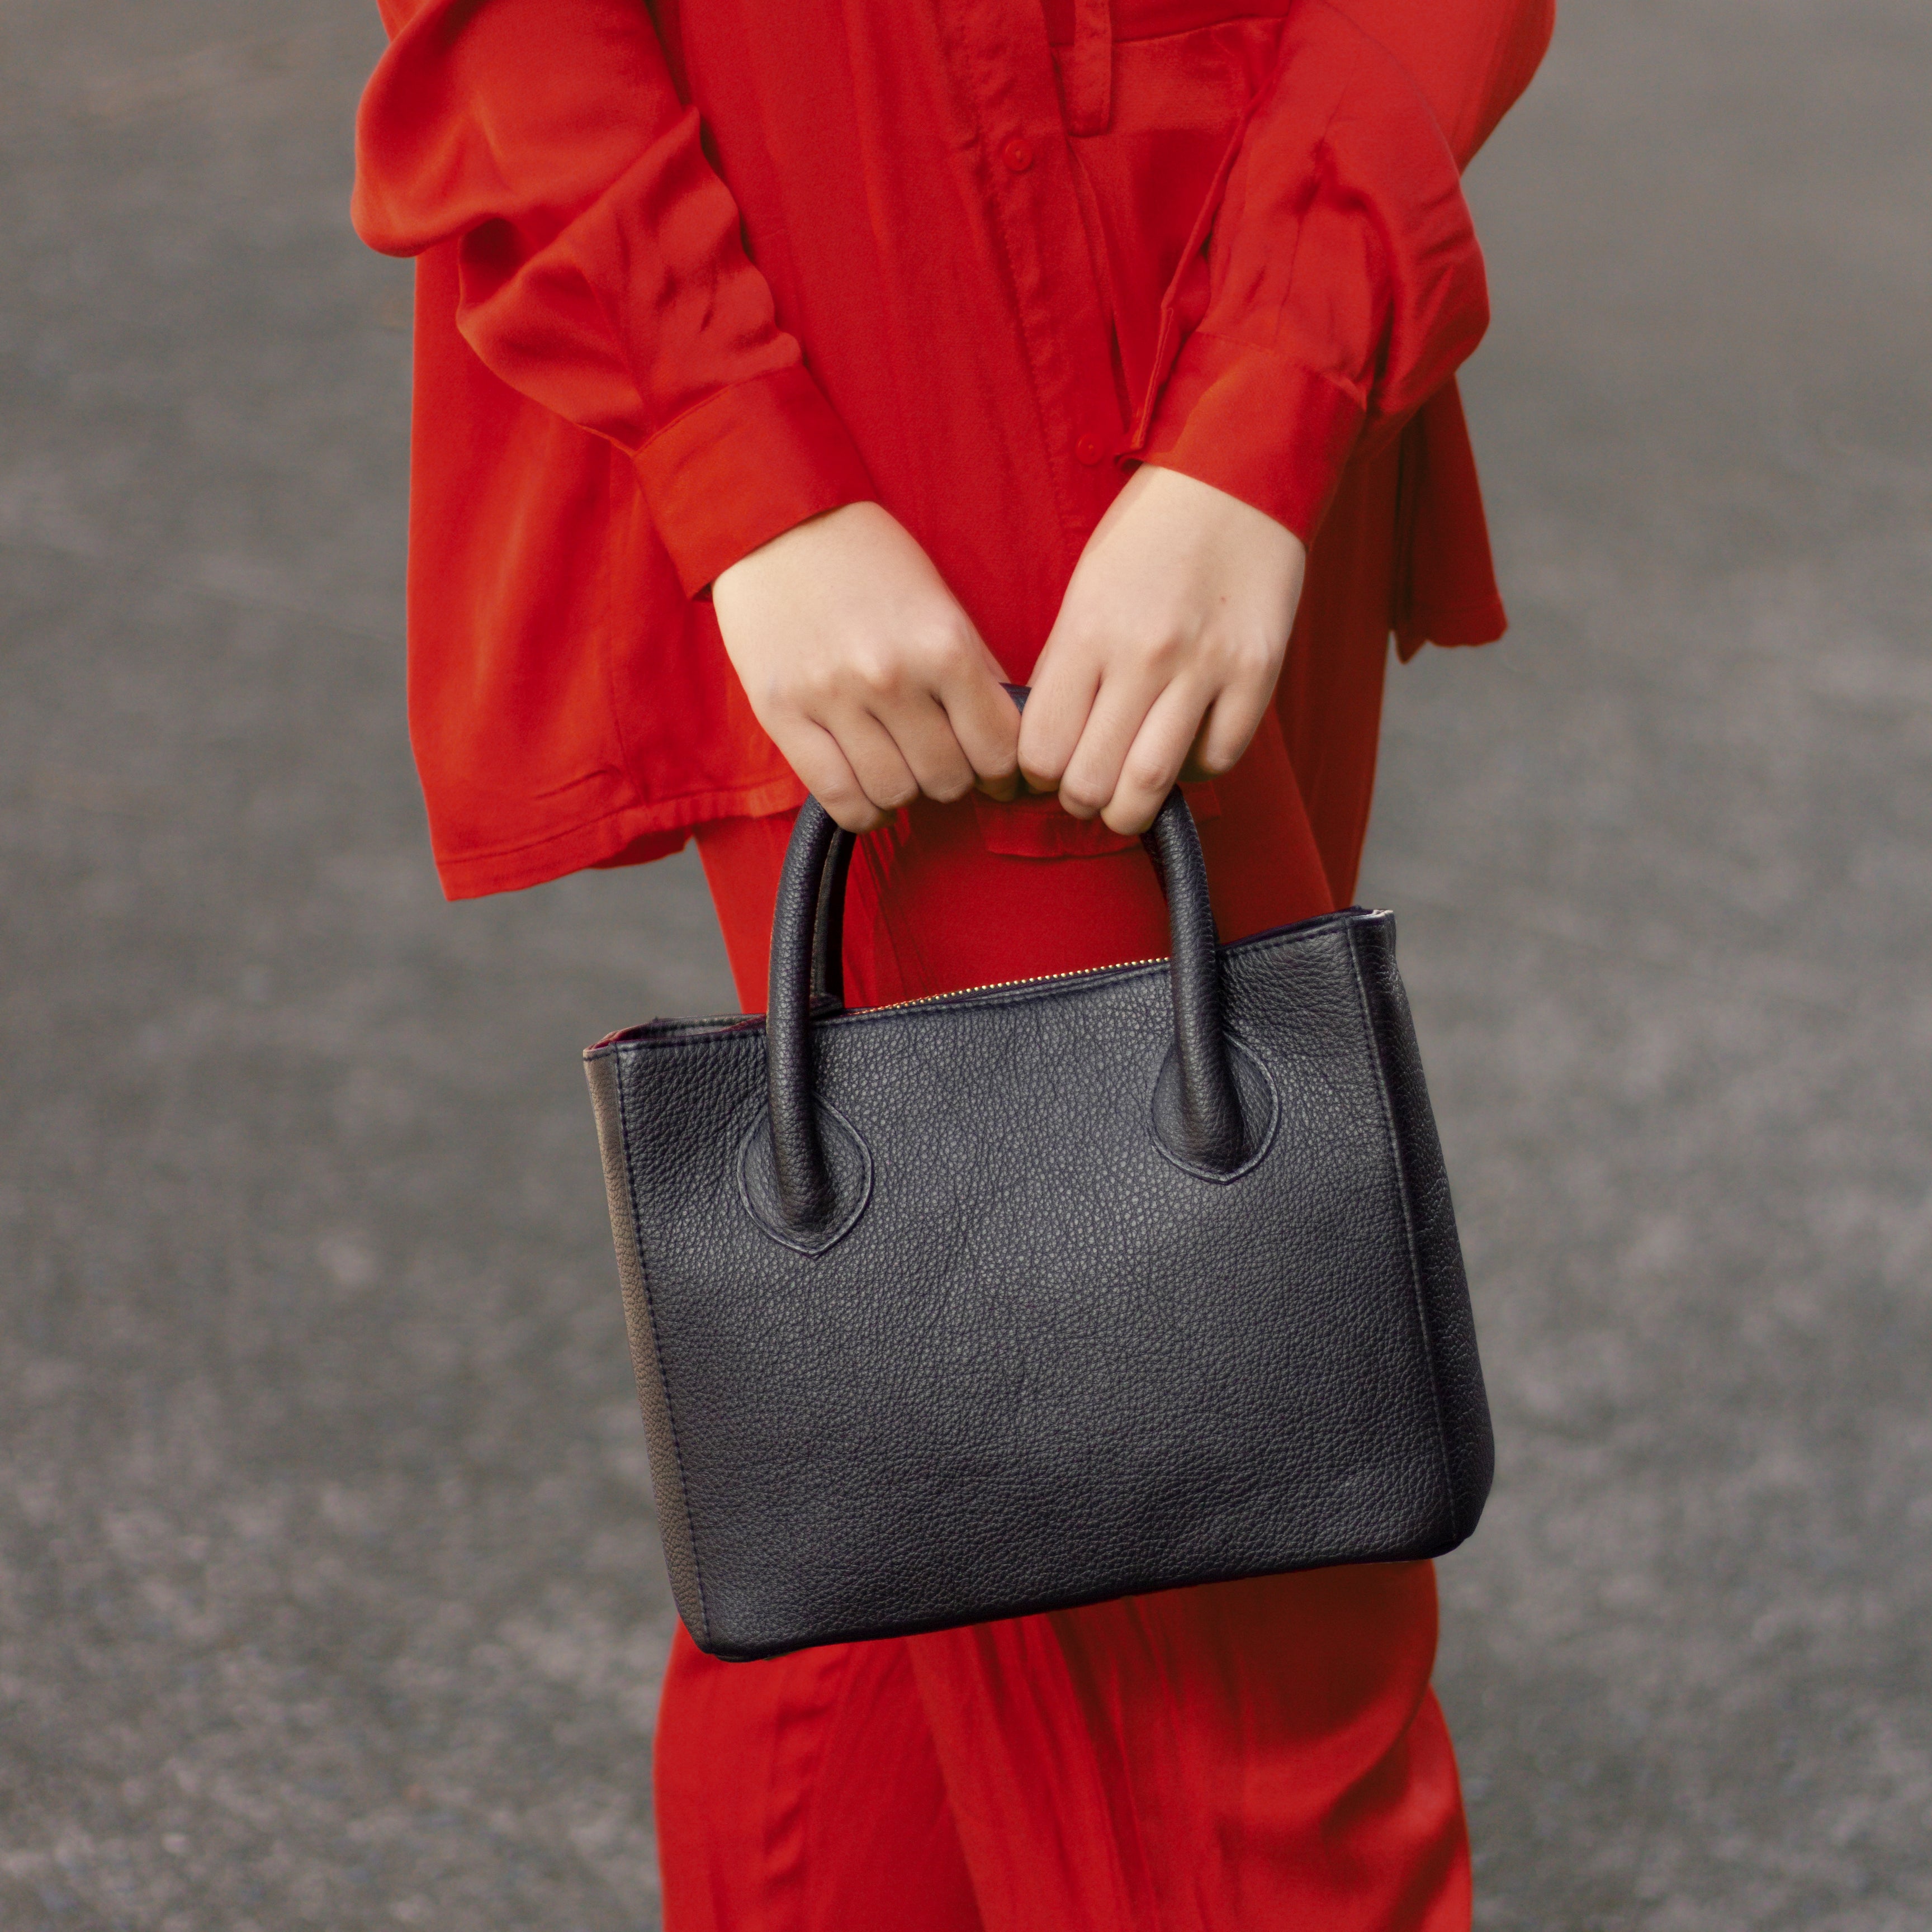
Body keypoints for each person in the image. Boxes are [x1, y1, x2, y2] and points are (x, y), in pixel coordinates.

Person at [353, 1, 1552, 1923]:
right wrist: (745, 460)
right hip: (900, 321)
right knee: (1224, 1592)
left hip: (1244, 229)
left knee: (910, 1470)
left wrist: (1279, 375)